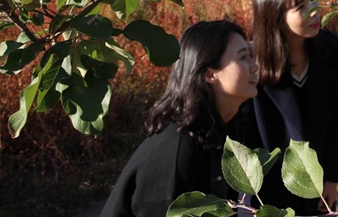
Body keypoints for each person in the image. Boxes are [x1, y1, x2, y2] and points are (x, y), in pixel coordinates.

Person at [100, 20, 259, 217]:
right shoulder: (179, 151)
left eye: (251, 56)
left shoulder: (222, 128)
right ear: (210, 74)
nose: (254, 67)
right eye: (243, 57)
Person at [249, 0, 338, 215]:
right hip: (268, 189)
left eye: (313, 0)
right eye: (301, 7)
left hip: (318, 183)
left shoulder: (330, 50)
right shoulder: (254, 63)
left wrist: (333, 179)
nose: (314, 11)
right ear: (276, 18)